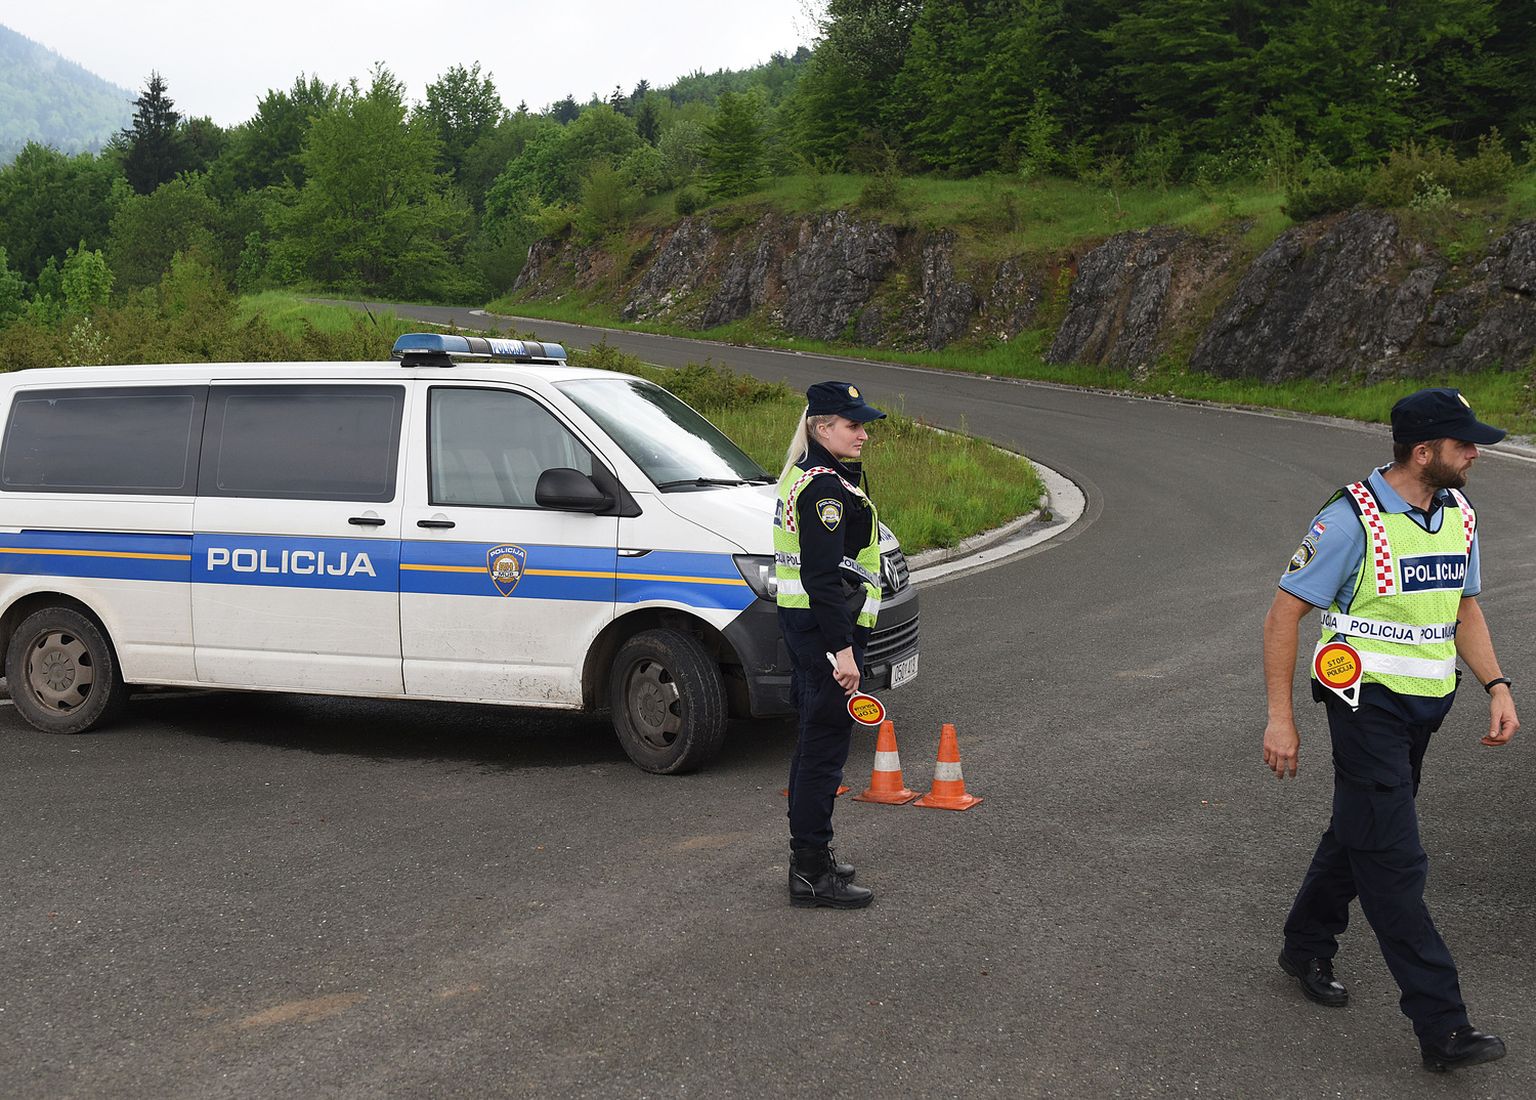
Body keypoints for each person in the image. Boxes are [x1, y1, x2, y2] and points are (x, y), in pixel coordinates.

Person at [1261, 387, 1520, 1073]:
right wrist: (1281, 718)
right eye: (1464, 442)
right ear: (1423, 451)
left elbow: (1463, 608)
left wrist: (1497, 686)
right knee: (1395, 863)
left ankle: (1305, 943)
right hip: (1362, 704)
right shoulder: (1350, 518)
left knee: (1364, 828)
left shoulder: (1458, 512)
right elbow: (1283, 614)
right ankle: (1443, 1026)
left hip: (1424, 706)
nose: (1475, 452)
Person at [774, 381, 887, 909]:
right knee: (823, 752)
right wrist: (843, 652)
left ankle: (810, 860)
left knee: (811, 743)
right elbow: (820, 576)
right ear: (822, 428)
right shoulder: (823, 489)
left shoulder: (809, 474)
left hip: (809, 628)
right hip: (825, 632)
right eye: (853, 425)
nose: (863, 434)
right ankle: (811, 872)